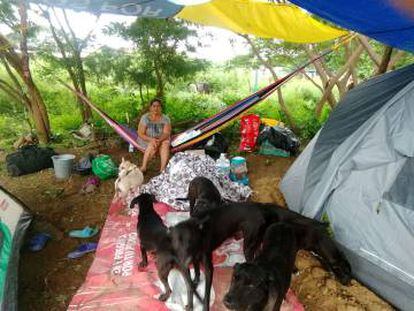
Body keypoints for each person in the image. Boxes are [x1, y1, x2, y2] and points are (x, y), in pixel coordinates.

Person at [137, 98, 171, 173]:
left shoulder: (165, 119)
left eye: (158, 106)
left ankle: (162, 169)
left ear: (161, 108)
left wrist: (159, 140)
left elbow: (166, 133)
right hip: (146, 139)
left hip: (161, 139)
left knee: (165, 144)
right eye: (154, 106)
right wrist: (151, 140)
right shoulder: (145, 118)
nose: (156, 108)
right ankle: (144, 167)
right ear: (150, 107)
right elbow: (140, 133)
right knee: (152, 145)